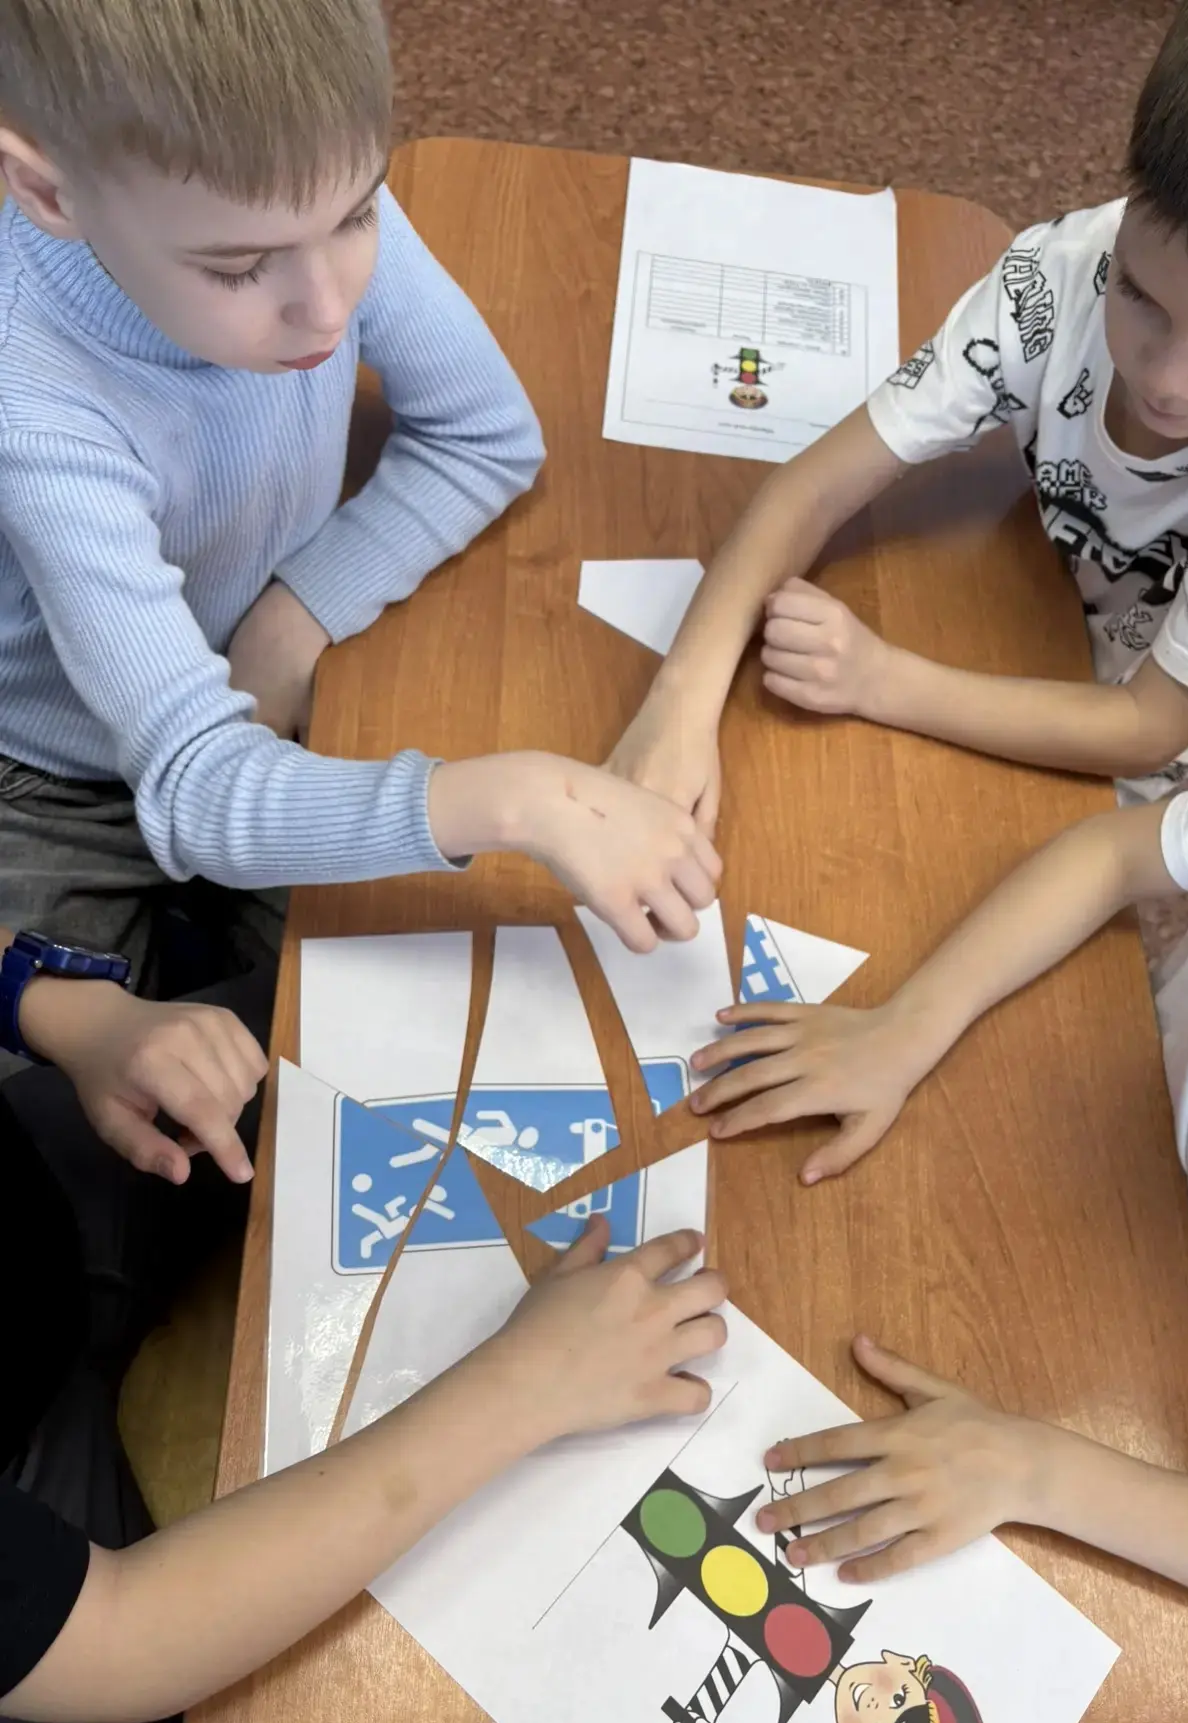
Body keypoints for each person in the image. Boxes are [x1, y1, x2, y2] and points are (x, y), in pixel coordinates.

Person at [692, 623, 1188, 1638]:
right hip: (1093, 1119)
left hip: (1179, 1358)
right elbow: (1115, 850)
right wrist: (910, 1024)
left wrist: (1033, 1471)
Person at [0, 0, 719, 1028]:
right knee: (77, 1087)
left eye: (360, 215)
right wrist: (512, 798)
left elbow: (486, 434)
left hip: (247, 696)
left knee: (427, 999)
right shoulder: (32, 401)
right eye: (238, 268)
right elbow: (198, 790)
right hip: (50, 780)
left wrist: (292, 618)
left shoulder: (287, 178)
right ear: (45, 192)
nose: (330, 308)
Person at [0, 921, 726, 1723]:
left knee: (361, 1003)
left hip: (52, 1190)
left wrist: (45, 996)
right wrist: (533, 1379)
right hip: (63, 1594)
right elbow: (124, 1630)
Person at [610, 0, 1188, 818]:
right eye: (1138, 292)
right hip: (1002, 595)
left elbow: (1148, 729)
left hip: (1094, 752)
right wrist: (678, 702)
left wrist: (880, 680)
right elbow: (814, 484)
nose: (1168, 381)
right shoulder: (1069, 261)